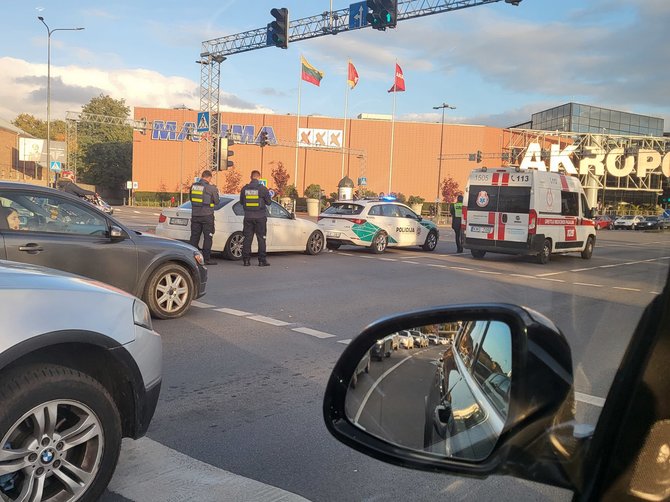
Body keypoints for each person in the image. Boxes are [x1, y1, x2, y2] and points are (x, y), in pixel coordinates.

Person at [240, 170, 272, 267]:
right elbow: (269, 202)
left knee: (247, 239)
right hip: (260, 217)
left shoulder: (244, 189)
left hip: (248, 217)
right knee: (261, 239)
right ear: (259, 177)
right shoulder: (263, 189)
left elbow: (241, 202)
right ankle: (262, 261)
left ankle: (246, 261)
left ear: (251, 177)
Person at [189, 170, 220, 265]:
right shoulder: (211, 188)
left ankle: (192, 258)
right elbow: (217, 201)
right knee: (208, 237)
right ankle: (206, 259)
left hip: (195, 215)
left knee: (194, 237)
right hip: (207, 216)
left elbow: (191, 199)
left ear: (202, 176)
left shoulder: (193, 187)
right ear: (209, 177)